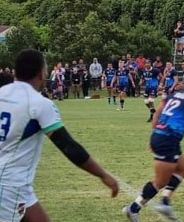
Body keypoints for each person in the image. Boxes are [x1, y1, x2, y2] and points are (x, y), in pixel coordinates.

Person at [0, 49, 118, 222]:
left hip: (18, 187)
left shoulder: (2, 93)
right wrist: (103, 174)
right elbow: (68, 146)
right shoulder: (39, 103)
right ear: (41, 73)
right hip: (9, 185)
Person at [123, 69, 184, 222]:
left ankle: (165, 202)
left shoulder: (175, 94)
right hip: (168, 139)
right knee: (160, 181)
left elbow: (157, 113)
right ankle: (133, 208)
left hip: (163, 137)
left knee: (182, 168)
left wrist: (156, 133)